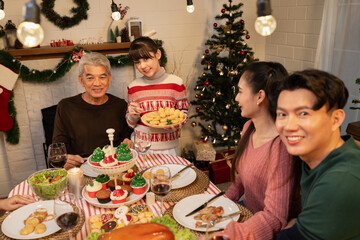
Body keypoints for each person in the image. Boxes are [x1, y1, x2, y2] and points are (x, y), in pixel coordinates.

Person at [275, 70, 360, 239]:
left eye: (303, 113)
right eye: (282, 114)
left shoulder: (341, 180)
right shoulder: (315, 155)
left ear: (335, 120)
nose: (289, 126)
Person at [222, 62, 301, 239]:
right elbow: (242, 176)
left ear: (260, 96)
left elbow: (274, 217)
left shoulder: (280, 148)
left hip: (266, 228)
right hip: (246, 212)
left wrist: (233, 234)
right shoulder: (248, 127)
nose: (236, 98)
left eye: (240, 91)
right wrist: (223, 202)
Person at [53, 52, 133, 170]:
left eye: (102, 77)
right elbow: (58, 149)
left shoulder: (120, 105)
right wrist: (64, 158)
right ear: (81, 80)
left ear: (109, 79)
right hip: (81, 168)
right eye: (90, 78)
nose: (97, 83)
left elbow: (127, 139)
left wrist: (128, 143)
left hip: (114, 169)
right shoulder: (66, 107)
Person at [126, 37, 189, 155]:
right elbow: (130, 123)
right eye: (137, 62)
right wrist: (133, 115)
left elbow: (183, 113)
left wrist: (178, 123)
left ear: (158, 54)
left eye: (146, 59)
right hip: (141, 147)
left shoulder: (176, 83)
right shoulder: (133, 87)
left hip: (169, 148)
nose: (143, 66)